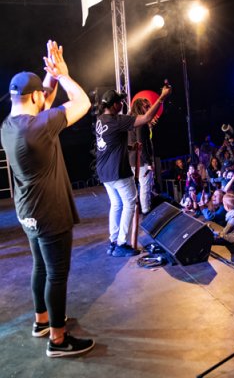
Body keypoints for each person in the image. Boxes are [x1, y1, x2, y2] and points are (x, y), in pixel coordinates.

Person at [0, 40, 94, 357]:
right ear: (36, 97)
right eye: (43, 93)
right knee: (56, 274)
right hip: (51, 212)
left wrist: (49, 76)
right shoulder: (39, 127)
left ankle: (42, 321)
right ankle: (58, 339)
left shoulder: (9, 126)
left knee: (40, 267)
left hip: (27, 212)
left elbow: (44, 103)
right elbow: (81, 103)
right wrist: (64, 75)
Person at [96, 84, 171, 257]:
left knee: (116, 205)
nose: (122, 104)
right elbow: (145, 119)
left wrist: (130, 147)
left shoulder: (101, 120)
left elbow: (110, 144)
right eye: (120, 101)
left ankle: (113, 241)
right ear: (114, 105)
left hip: (104, 172)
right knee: (130, 202)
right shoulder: (117, 120)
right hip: (118, 171)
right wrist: (161, 97)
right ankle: (122, 243)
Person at [128, 96, 158, 215]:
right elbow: (142, 145)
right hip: (140, 161)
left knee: (137, 188)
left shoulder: (130, 121)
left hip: (132, 160)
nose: (149, 109)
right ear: (140, 107)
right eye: (146, 107)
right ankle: (146, 210)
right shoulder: (141, 122)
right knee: (145, 186)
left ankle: (138, 211)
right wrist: (149, 163)